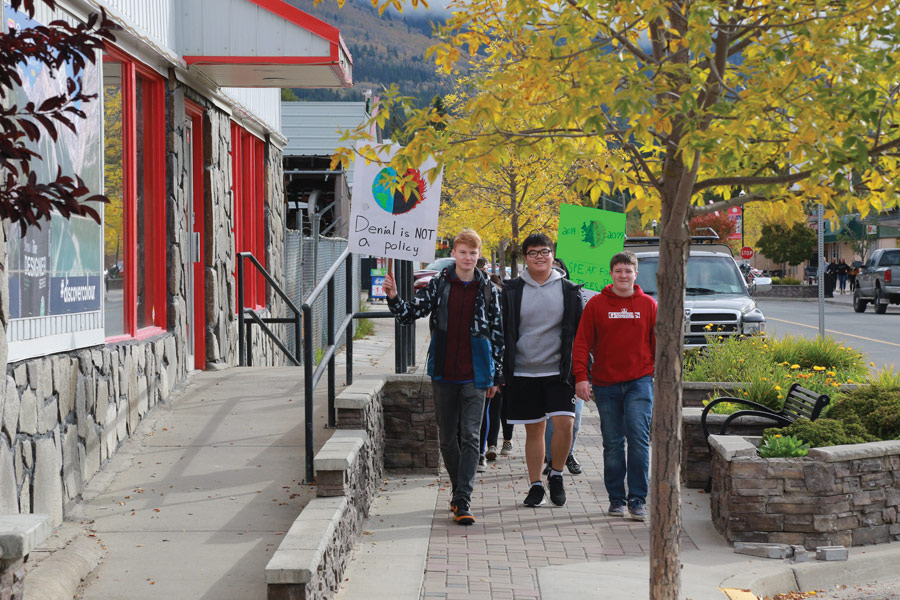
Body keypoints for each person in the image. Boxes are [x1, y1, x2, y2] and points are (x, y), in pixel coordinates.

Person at [383, 229, 504, 526]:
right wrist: (395, 297)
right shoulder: (439, 284)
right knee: (448, 439)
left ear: (478, 256)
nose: (468, 258)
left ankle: (463, 498)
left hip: (476, 375)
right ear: (454, 253)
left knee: (472, 437)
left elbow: (500, 335)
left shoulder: (489, 289)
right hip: (444, 372)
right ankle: (457, 488)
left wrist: (497, 376)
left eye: (473, 253)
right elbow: (411, 313)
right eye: (463, 252)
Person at [573, 251, 657, 521]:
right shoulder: (597, 304)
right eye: (618, 271)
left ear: (636, 274)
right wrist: (581, 376)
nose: (623, 275)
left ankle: (637, 499)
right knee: (612, 443)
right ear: (611, 274)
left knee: (639, 440)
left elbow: (658, 344)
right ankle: (616, 499)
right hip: (606, 384)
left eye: (628, 271)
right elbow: (582, 342)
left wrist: (657, 374)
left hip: (639, 382)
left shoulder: (648, 305)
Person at [501, 234, 583, 507]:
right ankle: (536, 485)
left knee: (565, 424)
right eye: (533, 252)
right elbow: (502, 331)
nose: (540, 256)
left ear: (552, 255)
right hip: (523, 372)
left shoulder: (569, 290)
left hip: (558, 373)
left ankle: (556, 474)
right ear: (525, 257)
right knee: (534, 431)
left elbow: (581, 336)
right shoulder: (511, 290)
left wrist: (583, 373)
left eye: (545, 251)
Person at [543, 257, 584, 475]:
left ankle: (568, 453)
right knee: (551, 421)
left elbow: (584, 336)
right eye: (553, 270)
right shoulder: (538, 299)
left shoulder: (575, 298)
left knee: (573, 420)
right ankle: (551, 459)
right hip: (545, 370)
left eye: (561, 271)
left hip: (571, 370)